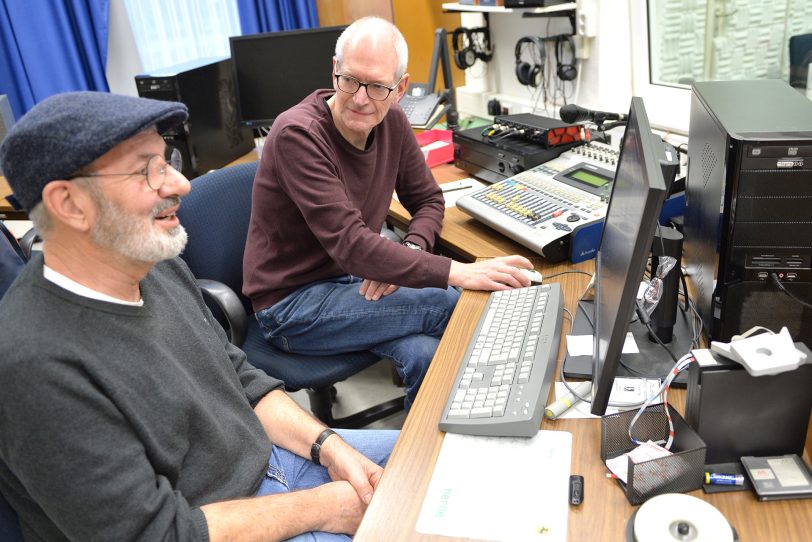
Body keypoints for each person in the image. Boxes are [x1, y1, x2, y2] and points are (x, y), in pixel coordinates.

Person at [0, 91, 398, 542]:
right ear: (70, 204)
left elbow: (239, 377)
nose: (179, 184)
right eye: (146, 170)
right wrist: (324, 506)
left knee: (452, 467)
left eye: (166, 159)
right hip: (213, 525)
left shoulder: (151, 262)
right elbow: (157, 534)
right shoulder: (34, 365)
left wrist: (328, 446)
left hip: (273, 464)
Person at [244, 17, 535, 409]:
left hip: (349, 277)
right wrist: (457, 272)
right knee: (445, 299)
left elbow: (429, 201)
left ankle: (428, 453)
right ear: (334, 69)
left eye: (378, 86)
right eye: (350, 80)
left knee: (422, 353)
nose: (361, 98)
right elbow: (352, 245)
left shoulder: (392, 122)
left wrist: (412, 250)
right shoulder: (298, 134)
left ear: (399, 88)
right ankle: (502, 408)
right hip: (292, 304)